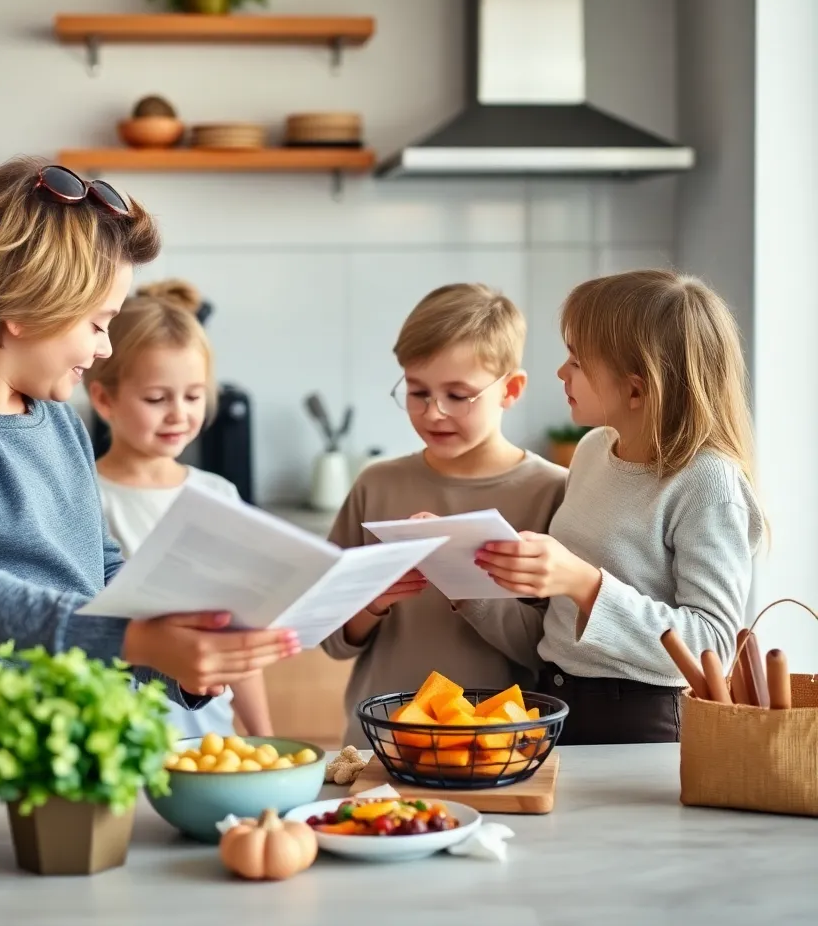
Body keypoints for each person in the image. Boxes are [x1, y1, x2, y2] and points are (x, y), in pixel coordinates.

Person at [0, 158, 298, 736]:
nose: (106, 347)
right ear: (24, 308)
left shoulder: (55, 411)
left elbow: (97, 567)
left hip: (80, 740)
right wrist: (132, 637)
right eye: (97, 323)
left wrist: (174, 656)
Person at [476, 270, 764, 744]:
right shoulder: (592, 449)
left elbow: (712, 646)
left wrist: (585, 584)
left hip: (640, 720)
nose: (562, 373)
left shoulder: (708, 482)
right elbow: (563, 614)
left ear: (636, 389)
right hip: (555, 698)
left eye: (577, 361)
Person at [320, 283, 567, 748]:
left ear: (511, 389)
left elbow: (548, 653)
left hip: (498, 750)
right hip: (382, 743)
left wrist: (463, 581)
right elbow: (330, 638)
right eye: (418, 392)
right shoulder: (376, 484)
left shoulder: (553, 491)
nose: (434, 413)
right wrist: (372, 600)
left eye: (458, 395)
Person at [83, 278, 273, 740]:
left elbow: (236, 639)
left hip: (210, 736)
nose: (178, 414)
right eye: (156, 398)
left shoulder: (219, 495)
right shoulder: (85, 495)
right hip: (114, 739)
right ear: (104, 399)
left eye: (193, 396)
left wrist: (265, 737)